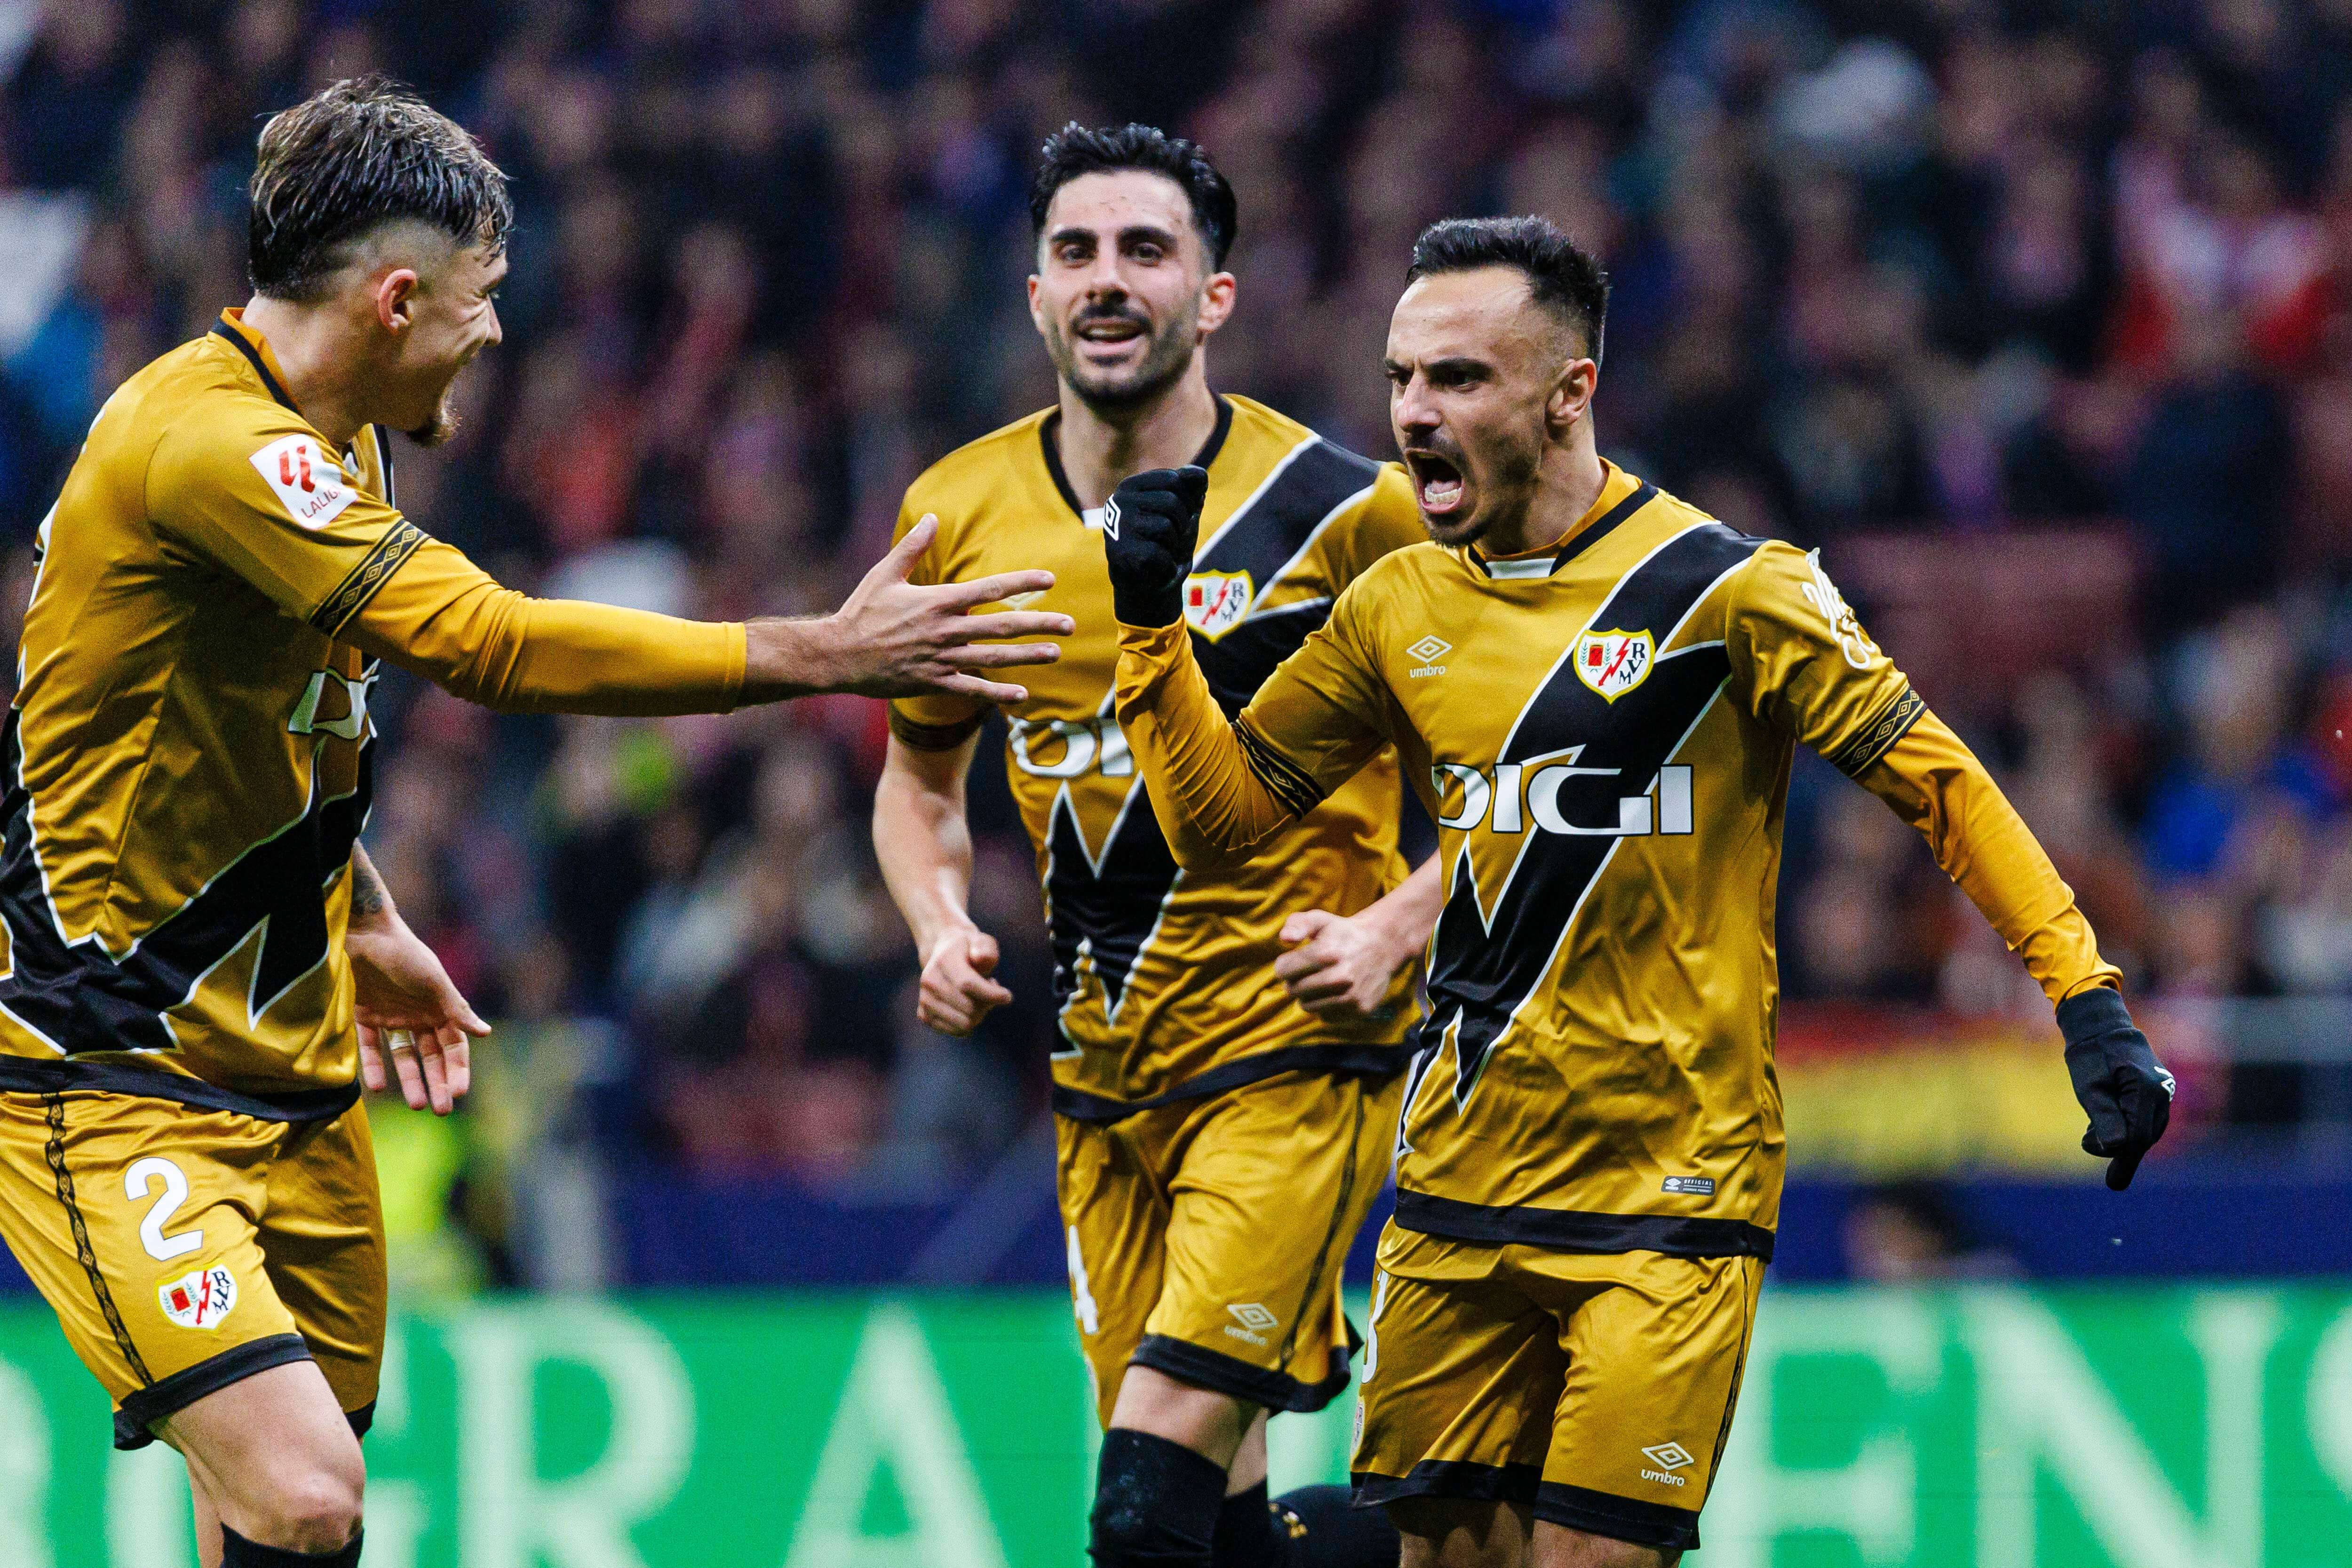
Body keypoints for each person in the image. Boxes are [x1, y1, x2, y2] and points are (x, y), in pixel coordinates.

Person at [0, 78, 1070, 1568]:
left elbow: (246, 731)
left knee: (276, 1523)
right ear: (392, 300)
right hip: (104, 1073)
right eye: (480, 298)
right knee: (305, 1487)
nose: (495, 331)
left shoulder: (335, 435)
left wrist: (365, 917)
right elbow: (487, 644)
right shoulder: (214, 450)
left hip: (285, 1072)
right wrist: (820, 650)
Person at [1098, 215, 2173, 1568]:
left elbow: (1941, 786)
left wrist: (2086, 996)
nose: (1413, 415)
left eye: (1459, 380)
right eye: (1400, 379)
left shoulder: (1730, 594)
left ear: (1570, 392)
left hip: (1668, 1201)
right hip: (1457, 1191)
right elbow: (1216, 821)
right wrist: (1151, 633)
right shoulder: (1398, 607)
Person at [871, 124, 1438, 1568]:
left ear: (1217, 295)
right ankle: (1462, 1545)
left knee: (1143, 1500)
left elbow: (1517, 784)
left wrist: (1392, 930)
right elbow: (919, 783)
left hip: (1295, 1062)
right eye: (1077, 252)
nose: (1108, 281)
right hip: (1100, 1082)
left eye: (1146, 251)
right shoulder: (957, 514)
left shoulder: (1346, 515)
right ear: (1034, 293)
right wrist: (937, 922)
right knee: (1218, 1527)